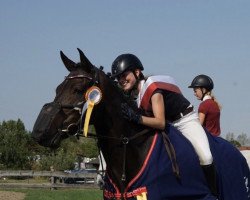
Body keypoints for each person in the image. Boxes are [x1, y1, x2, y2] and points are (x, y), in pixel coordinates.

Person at [111, 53, 218, 196]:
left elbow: (160, 122)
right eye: (118, 77)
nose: (121, 80)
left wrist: (136, 118)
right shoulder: (139, 96)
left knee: (205, 157)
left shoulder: (153, 88)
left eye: (124, 75)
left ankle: (214, 194)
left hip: (185, 121)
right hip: (171, 125)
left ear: (137, 72)